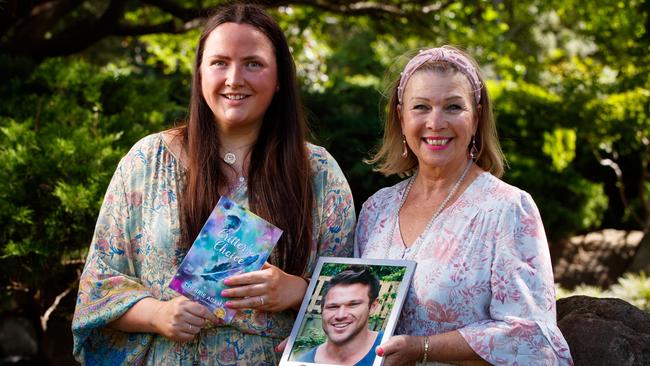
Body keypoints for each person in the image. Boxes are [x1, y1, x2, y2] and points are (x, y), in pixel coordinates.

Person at [71, 3, 355, 365]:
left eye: (253, 63)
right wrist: (156, 315)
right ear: (200, 73)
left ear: (279, 77)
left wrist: (299, 292)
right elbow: (98, 288)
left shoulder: (317, 172)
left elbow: (359, 297)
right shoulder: (146, 162)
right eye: (219, 62)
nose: (234, 78)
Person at [355, 46, 574, 366]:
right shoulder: (376, 210)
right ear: (401, 117)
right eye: (421, 107)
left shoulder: (507, 209)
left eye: (453, 107)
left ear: (477, 116)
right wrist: (317, 346)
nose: (435, 122)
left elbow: (534, 340)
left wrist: (423, 348)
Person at [296, 266, 383, 365]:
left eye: (353, 305)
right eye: (333, 306)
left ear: (372, 306)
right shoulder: (303, 362)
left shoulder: (392, 349)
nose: (340, 315)